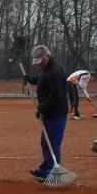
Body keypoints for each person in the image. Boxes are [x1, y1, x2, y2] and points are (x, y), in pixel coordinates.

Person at [22, 45, 69, 181]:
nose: (38, 64)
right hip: (49, 112)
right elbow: (43, 79)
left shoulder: (55, 72)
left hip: (56, 114)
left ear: (47, 56)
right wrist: (31, 79)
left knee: (52, 144)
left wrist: (41, 107)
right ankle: (46, 168)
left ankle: (53, 173)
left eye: (40, 61)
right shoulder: (47, 68)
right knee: (45, 143)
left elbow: (56, 96)